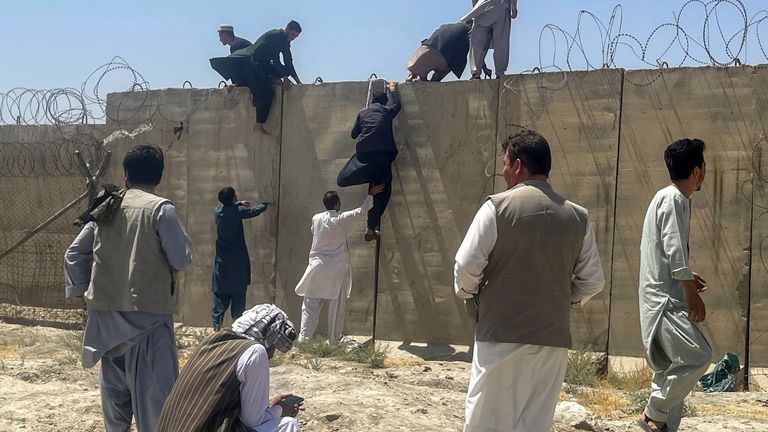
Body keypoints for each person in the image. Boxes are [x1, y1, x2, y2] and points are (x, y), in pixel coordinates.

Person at [454, 130, 604, 432]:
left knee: (486, 422)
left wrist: (472, 296)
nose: (504, 171)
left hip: (499, 336)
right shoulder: (578, 217)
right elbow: (593, 281)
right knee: (533, 424)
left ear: (518, 165)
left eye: (505, 164)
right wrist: (565, 298)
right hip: (552, 342)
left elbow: (465, 267)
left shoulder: (496, 207)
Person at [64, 145, 192, 432]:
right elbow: (181, 260)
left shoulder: (106, 206)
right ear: (159, 176)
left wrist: (84, 294)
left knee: (115, 414)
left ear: (126, 175)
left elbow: (73, 255)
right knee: (157, 415)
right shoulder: (161, 209)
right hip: (149, 323)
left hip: (105, 326)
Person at [637, 139, 711, 432]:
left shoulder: (670, 199)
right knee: (698, 356)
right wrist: (690, 293)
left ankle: (661, 425)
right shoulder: (673, 199)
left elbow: (665, 252)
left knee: (673, 367)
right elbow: (674, 249)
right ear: (696, 171)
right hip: (666, 303)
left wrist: (686, 280)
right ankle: (652, 414)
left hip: (666, 295)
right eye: (704, 168)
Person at [156, 304, 302, 432]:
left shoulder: (213, 341)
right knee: (288, 424)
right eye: (274, 345)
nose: (273, 353)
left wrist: (268, 406)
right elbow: (251, 421)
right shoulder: (255, 351)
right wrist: (281, 410)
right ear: (267, 337)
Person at [294, 185, 384, 345]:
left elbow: (314, 231)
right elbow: (362, 210)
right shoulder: (341, 219)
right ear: (337, 204)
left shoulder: (316, 218)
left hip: (316, 268)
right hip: (336, 268)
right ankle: (334, 340)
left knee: (310, 305)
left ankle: (304, 339)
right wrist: (371, 194)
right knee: (336, 307)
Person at [336, 80, 401, 242]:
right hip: (384, 157)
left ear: (372, 101)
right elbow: (398, 105)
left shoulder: (363, 112)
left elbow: (353, 135)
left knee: (344, 180)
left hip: (365, 157)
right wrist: (393, 90)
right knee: (381, 190)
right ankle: (372, 227)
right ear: (384, 103)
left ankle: (372, 228)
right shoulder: (387, 112)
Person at [212, 187, 270, 331]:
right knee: (238, 301)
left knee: (220, 299)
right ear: (232, 198)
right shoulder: (238, 212)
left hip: (222, 266)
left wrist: (237, 203)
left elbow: (228, 209)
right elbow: (255, 211)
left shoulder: (217, 212)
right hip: (237, 265)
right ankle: (237, 330)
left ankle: (216, 327)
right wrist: (266, 203)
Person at [249, 20, 303, 134]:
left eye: (295, 37)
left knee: (287, 69)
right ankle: (258, 125)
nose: (293, 38)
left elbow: (288, 61)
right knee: (268, 93)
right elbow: (276, 59)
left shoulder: (285, 42)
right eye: (292, 34)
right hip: (256, 65)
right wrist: (283, 77)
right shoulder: (275, 36)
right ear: (287, 29)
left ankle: (274, 78)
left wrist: (298, 81)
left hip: (267, 64)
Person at [462, 0, 519, 79]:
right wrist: (514, 7)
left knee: (477, 41)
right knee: (501, 42)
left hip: (484, 6)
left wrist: (476, 9)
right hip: (502, 6)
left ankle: (476, 73)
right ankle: (500, 73)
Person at [405, 21, 472, 82]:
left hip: (427, 47)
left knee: (417, 67)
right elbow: (474, 54)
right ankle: (433, 83)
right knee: (444, 70)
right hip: (443, 58)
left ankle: (411, 77)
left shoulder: (448, 25)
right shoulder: (471, 32)